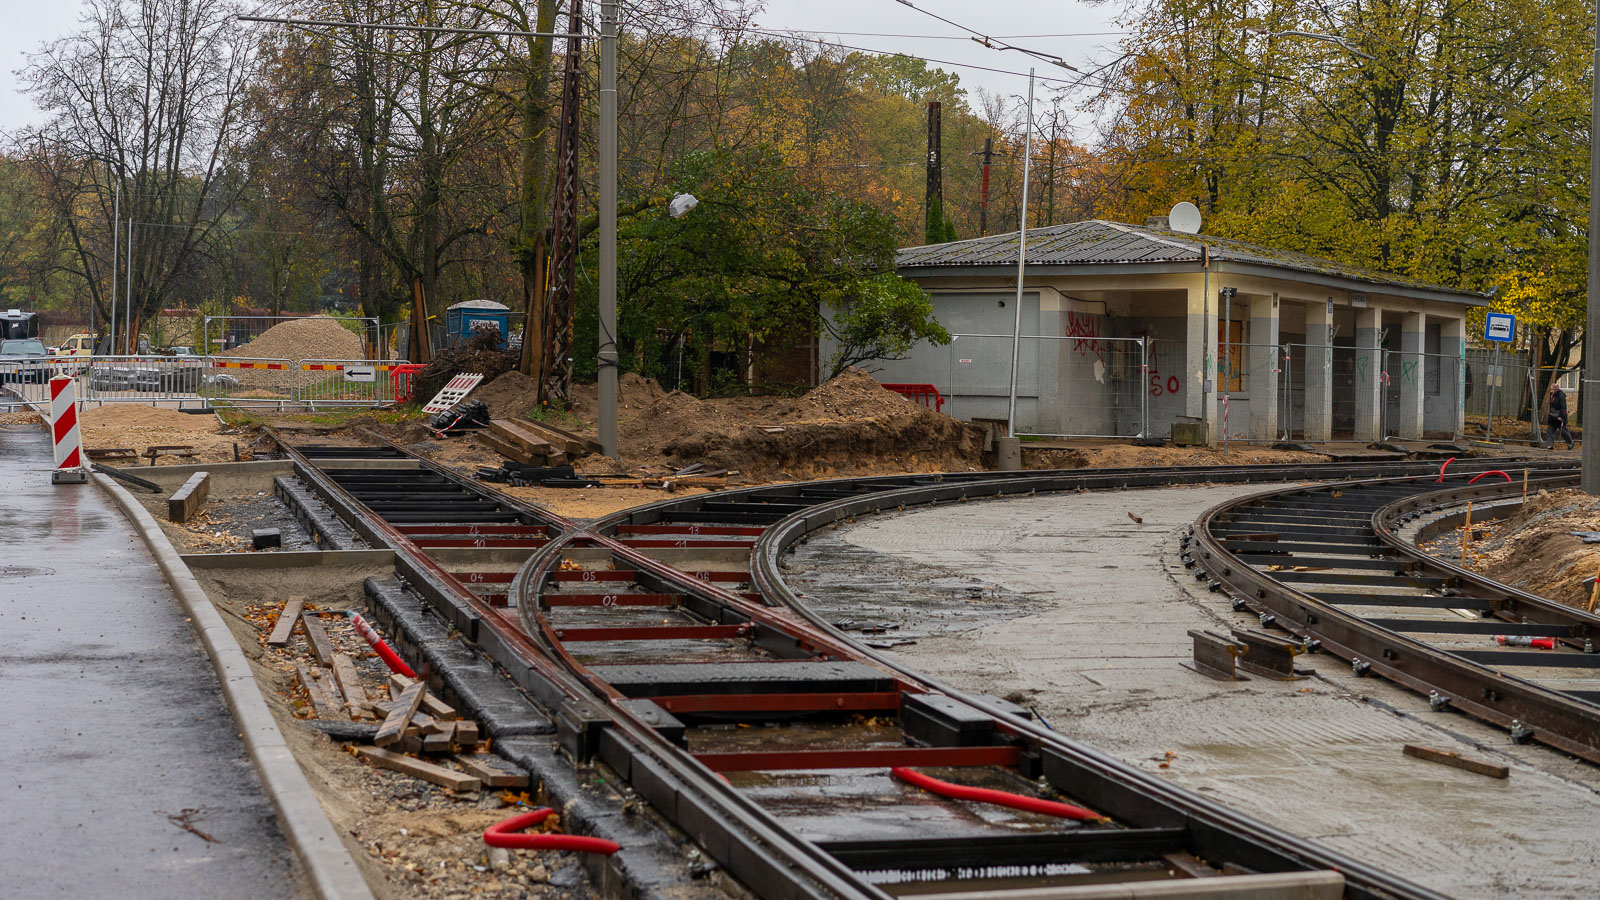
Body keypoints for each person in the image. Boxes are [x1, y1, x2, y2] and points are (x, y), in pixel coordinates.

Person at [1547, 383, 1575, 450]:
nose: (1551, 390)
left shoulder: (1561, 395)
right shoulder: (1551, 395)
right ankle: (1550, 445)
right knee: (1550, 429)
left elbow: (1563, 407)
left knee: (1563, 431)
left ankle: (1570, 443)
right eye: (1550, 389)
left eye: (1552, 389)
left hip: (1560, 415)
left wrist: (1561, 416)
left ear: (1555, 389)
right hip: (1553, 416)